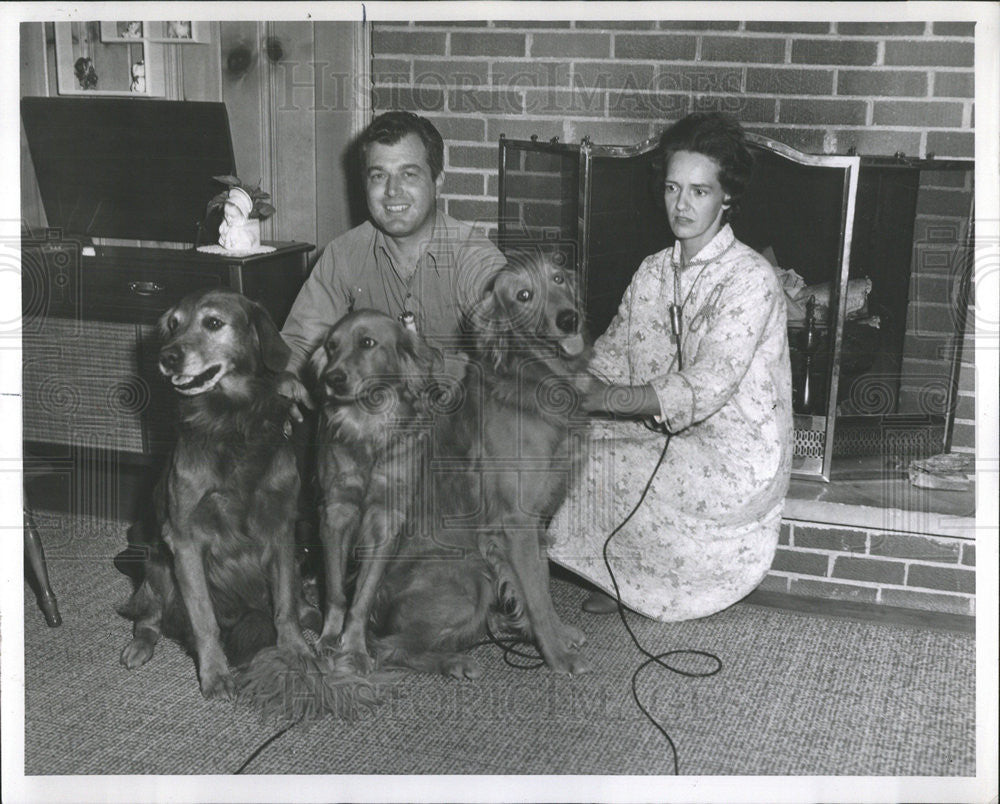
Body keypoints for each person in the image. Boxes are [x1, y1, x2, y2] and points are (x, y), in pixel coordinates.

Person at [547, 111, 793, 621]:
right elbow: (611, 358)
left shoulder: (752, 277)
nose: (681, 205)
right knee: (563, 443)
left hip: (738, 454)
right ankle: (621, 575)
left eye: (700, 192)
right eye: (672, 188)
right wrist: (559, 375)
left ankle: (645, 582)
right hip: (664, 433)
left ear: (727, 197)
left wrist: (600, 399)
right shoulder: (653, 270)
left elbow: (709, 383)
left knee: (601, 459)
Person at [279, 110, 506, 413]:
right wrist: (286, 379)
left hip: (458, 426)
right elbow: (300, 343)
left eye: (409, 174)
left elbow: (511, 360)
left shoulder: (475, 259)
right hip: (370, 427)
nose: (392, 191)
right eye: (379, 176)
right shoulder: (343, 254)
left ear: (438, 182)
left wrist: (426, 361)